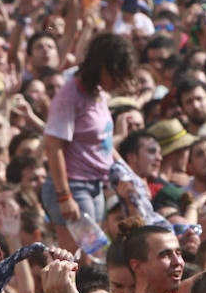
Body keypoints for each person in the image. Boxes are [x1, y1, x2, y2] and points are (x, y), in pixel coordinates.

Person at [42, 34, 138, 251]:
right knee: (80, 256)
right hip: (73, 187)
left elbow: (103, 144)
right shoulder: (69, 95)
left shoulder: (99, 94)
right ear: (103, 67)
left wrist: (130, 175)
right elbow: (53, 145)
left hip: (95, 185)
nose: (119, 81)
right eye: (117, 74)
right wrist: (64, 196)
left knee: (93, 253)